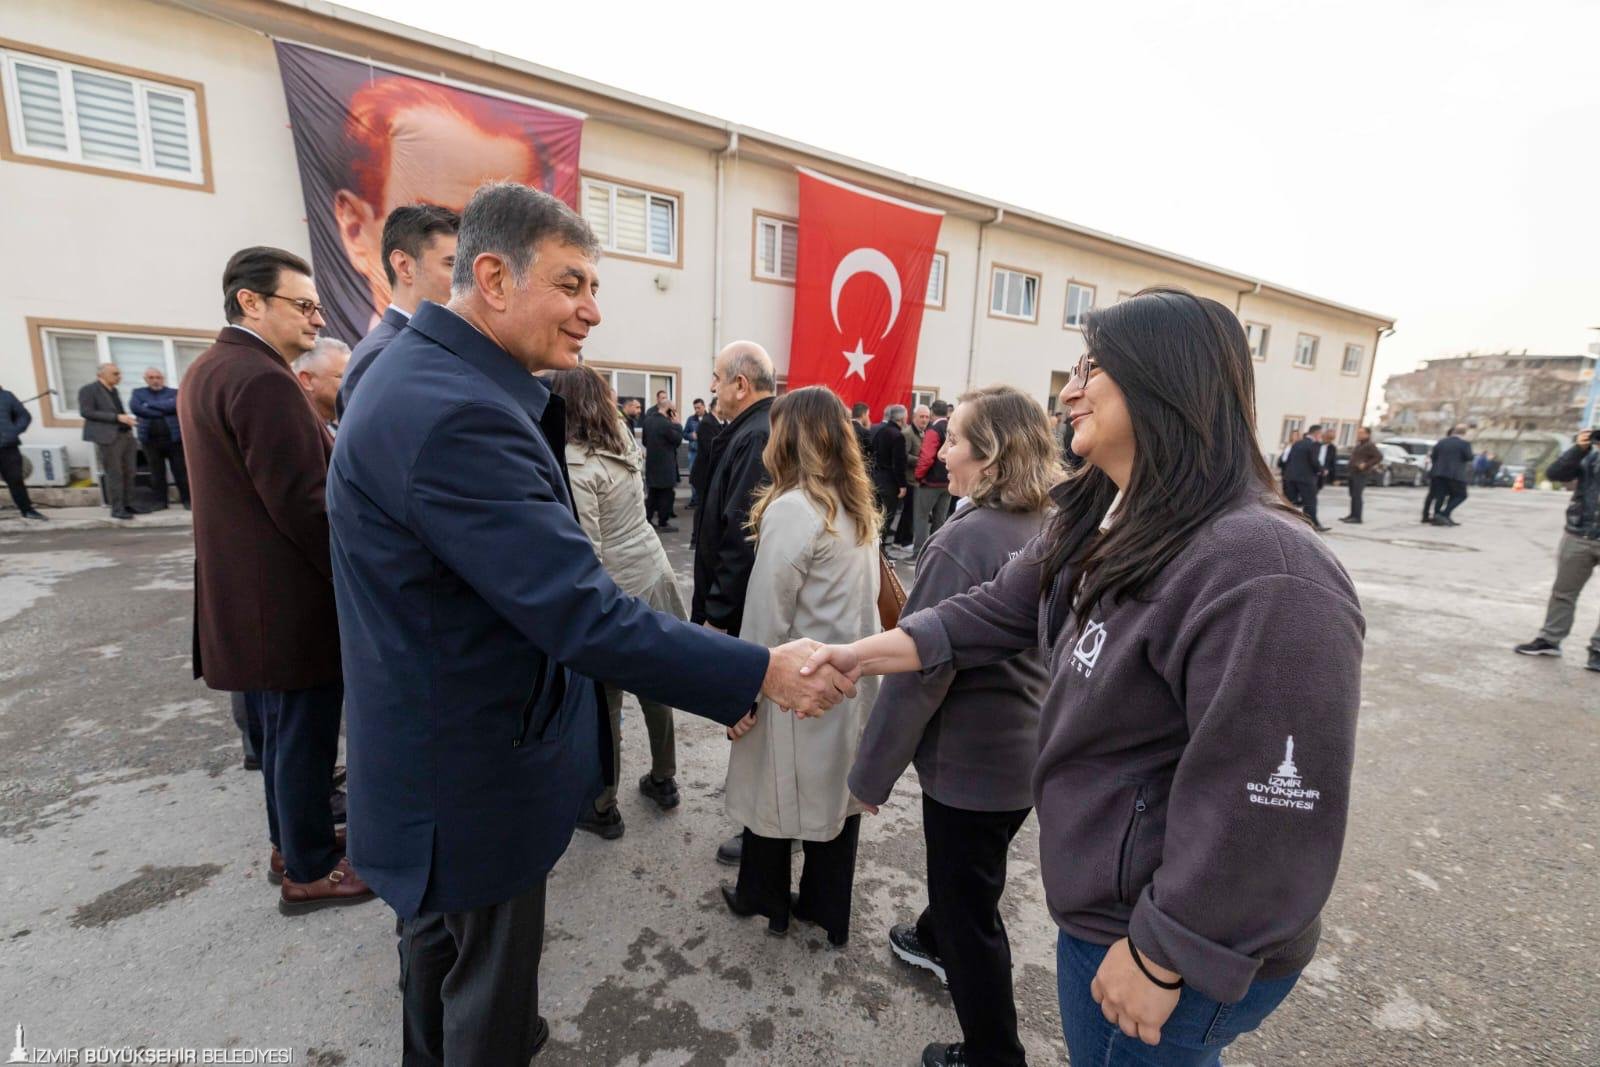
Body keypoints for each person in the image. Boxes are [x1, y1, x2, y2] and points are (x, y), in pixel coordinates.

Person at [327, 183, 853, 1066]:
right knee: (484, 1007)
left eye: (594, 287)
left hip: (440, 764)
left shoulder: (433, 378)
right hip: (469, 783)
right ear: (494, 277)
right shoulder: (456, 411)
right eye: (571, 284)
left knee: (441, 965)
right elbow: (580, 610)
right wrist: (759, 669)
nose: (592, 311)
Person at [803, 288, 1363, 1067]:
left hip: (1170, 941)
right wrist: (857, 654)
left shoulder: (1266, 568)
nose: (1068, 392)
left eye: (1091, 369)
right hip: (1108, 912)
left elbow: (1270, 808)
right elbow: (984, 613)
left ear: (1164, 380)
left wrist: (1165, 953)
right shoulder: (1098, 516)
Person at [850, 385, 1061, 1067]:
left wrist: (870, 775)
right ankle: (933, 934)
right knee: (973, 876)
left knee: (971, 909)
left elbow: (921, 670)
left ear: (991, 455)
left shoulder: (966, 540)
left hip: (973, 764)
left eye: (956, 440)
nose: (941, 453)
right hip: (1025, 751)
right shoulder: (1049, 520)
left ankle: (993, 1053)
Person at [178, 246, 370, 914]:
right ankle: (311, 869)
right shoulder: (263, 379)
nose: (317, 318)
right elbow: (304, 503)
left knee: (282, 734)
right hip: (286, 599)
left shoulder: (211, 368)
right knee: (302, 738)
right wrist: (357, 580)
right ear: (250, 301)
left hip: (252, 594)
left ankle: (292, 842)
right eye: (304, 305)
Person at [721, 385, 882, 946]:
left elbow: (767, 611)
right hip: (849, 673)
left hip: (799, 677)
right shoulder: (853, 503)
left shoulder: (795, 508)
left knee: (775, 788)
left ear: (787, 437)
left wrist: (742, 689)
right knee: (834, 796)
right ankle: (825, 907)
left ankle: (764, 898)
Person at [550, 363, 686, 833]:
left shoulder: (576, 461)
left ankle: (603, 802)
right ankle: (664, 778)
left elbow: (588, 548)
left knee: (606, 700)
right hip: (651, 570)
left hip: (616, 587)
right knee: (655, 684)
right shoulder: (622, 439)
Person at [330, 79, 545, 335]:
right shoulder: (389, 354)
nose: (484, 268)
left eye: (499, 232)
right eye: (441, 222)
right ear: (355, 228)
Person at [694, 341, 778, 868]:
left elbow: (741, 536)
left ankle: (763, 829)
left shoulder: (756, 436)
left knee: (753, 718)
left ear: (741, 385)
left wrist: (718, 616)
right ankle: (760, 820)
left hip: (746, 610)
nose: (712, 388)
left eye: (717, 378)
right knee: (750, 718)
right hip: (744, 605)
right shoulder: (752, 430)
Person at [337, 204, 459, 417]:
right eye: (452, 264)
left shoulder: (429, 344)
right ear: (404, 266)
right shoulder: (380, 355)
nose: (466, 280)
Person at [1515, 429, 1600, 669]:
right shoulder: (1588, 456)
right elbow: (1555, 474)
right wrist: (1578, 449)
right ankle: (1550, 640)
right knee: (1563, 592)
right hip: (1579, 533)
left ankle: (1598, 650)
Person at [78, 364, 138, 520]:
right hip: (108, 437)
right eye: (115, 373)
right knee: (115, 473)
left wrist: (127, 420)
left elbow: (118, 412)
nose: (119, 377)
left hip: (125, 435)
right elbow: (86, 412)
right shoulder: (89, 390)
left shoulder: (114, 391)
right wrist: (116, 418)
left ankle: (127, 504)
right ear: (101, 374)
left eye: (119, 373)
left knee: (129, 471)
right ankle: (117, 508)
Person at [130, 367, 190, 510]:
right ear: (146, 379)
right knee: (157, 473)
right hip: (150, 440)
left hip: (174, 440)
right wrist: (163, 410)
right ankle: (160, 502)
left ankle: (188, 500)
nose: (155, 380)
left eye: (158, 377)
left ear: (163, 379)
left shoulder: (174, 393)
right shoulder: (138, 393)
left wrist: (148, 405)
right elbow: (136, 408)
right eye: (151, 378)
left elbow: (174, 406)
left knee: (181, 472)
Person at [914, 400, 955, 553]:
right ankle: (935, 551)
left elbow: (927, 457)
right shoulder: (952, 428)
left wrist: (919, 476)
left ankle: (919, 552)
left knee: (922, 517)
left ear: (932, 412)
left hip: (931, 482)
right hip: (948, 480)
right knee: (940, 519)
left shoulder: (934, 429)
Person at [0, 385, 45, 520]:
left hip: (8, 446)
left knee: (15, 480)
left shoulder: (6, 396)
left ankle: (27, 510)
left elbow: (24, 416)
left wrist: (13, 431)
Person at [869, 405, 910, 551]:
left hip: (876, 479)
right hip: (890, 483)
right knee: (887, 518)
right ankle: (879, 551)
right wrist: (902, 485)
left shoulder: (881, 431)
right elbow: (898, 463)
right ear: (902, 418)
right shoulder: (897, 436)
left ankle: (873, 547)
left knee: (876, 516)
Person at [642, 392, 683, 531]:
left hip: (652, 464)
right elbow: (678, 440)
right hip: (666, 466)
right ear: (669, 410)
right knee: (666, 494)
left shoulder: (648, 421)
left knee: (652, 494)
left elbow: (645, 441)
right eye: (673, 410)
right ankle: (663, 523)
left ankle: (647, 520)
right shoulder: (666, 423)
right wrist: (678, 424)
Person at [293, 338, 351, 433]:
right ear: (307, 381)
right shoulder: (293, 430)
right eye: (342, 377)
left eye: (354, 377)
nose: (354, 384)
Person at [894, 405, 930, 549]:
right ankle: (905, 541)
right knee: (910, 511)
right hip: (910, 479)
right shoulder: (908, 433)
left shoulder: (924, 432)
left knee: (909, 511)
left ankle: (898, 541)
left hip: (918, 479)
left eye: (927, 417)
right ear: (914, 417)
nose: (924, 420)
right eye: (921, 417)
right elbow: (903, 455)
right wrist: (921, 460)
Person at [1279, 425, 1328, 532]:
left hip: (1291, 477)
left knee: (1290, 503)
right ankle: (1312, 524)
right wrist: (1322, 470)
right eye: (1320, 434)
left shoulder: (1297, 443)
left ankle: (1285, 524)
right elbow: (1314, 461)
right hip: (1306, 479)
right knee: (1310, 502)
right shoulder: (1313, 445)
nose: (1321, 436)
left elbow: (1288, 459)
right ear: (1317, 433)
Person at [1424, 425, 1473, 526]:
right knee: (1461, 495)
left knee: (1440, 496)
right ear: (1464, 433)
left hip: (1439, 473)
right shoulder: (1464, 444)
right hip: (1455, 475)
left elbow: (1433, 456)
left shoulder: (1441, 442)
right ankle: (1444, 514)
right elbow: (1469, 457)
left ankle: (1438, 517)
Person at [689, 398, 723, 536]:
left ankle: (704, 535)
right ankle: (696, 537)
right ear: (715, 407)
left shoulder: (720, 422)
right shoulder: (707, 423)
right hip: (703, 474)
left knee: (708, 506)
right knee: (702, 506)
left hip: (711, 474)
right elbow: (711, 449)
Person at [1341, 426, 1383, 525]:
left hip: (1361, 474)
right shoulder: (1360, 444)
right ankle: (1352, 515)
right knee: (1353, 495)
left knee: (1357, 495)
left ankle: (1357, 517)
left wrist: (1366, 464)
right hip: (1353, 472)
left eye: (1361, 433)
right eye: (1358, 432)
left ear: (1367, 434)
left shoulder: (1369, 445)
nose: (1358, 435)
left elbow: (1379, 457)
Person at [685, 398, 708, 507]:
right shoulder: (691, 419)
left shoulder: (709, 418)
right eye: (695, 408)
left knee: (705, 476)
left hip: (706, 452)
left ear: (704, 406)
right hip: (693, 452)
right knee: (694, 476)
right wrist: (691, 436)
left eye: (698, 407)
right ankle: (695, 499)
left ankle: (704, 500)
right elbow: (684, 433)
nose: (697, 410)